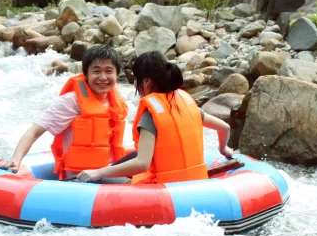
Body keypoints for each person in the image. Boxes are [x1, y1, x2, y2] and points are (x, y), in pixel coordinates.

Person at [75, 51, 233, 184]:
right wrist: (223, 149)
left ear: (146, 81)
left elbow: (142, 164)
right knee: (132, 155)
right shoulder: (186, 103)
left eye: (136, 80)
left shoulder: (150, 115)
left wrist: (99, 173)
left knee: (104, 178)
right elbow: (225, 127)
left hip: (164, 189)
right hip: (196, 181)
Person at [2, 45, 128, 179]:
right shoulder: (70, 101)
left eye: (109, 71)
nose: (103, 77)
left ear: (117, 74)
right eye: (96, 71)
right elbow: (34, 131)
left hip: (106, 170)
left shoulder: (116, 100)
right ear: (86, 74)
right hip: (79, 178)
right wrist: (16, 159)